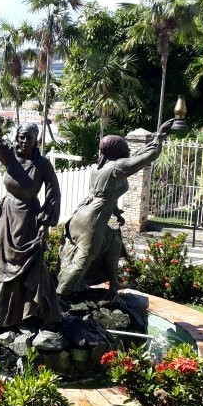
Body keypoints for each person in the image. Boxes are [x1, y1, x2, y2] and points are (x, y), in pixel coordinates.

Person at [0, 112, 62, 329]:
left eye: (29, 137)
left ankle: (25, 313)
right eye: (21, 137)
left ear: (36, 140)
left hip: (28, 218)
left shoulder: (43, 165)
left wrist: (45, 223)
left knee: (27, 266)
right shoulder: (9, 157)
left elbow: (53, 193)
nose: (24, 141)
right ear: (17, 138)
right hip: (6, 215)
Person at [57, 120, 175, 297]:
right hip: (92, 221)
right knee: (83, 259)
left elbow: (104, 194)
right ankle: (59, 296)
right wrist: (158, 137)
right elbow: (146, 157)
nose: (128, 150)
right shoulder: (117, 168)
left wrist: (115, 211)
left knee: (114, 242)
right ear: (118, 152)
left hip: (82, 215)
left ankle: (113, 282)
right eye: (126, 147)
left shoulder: (102, 167)